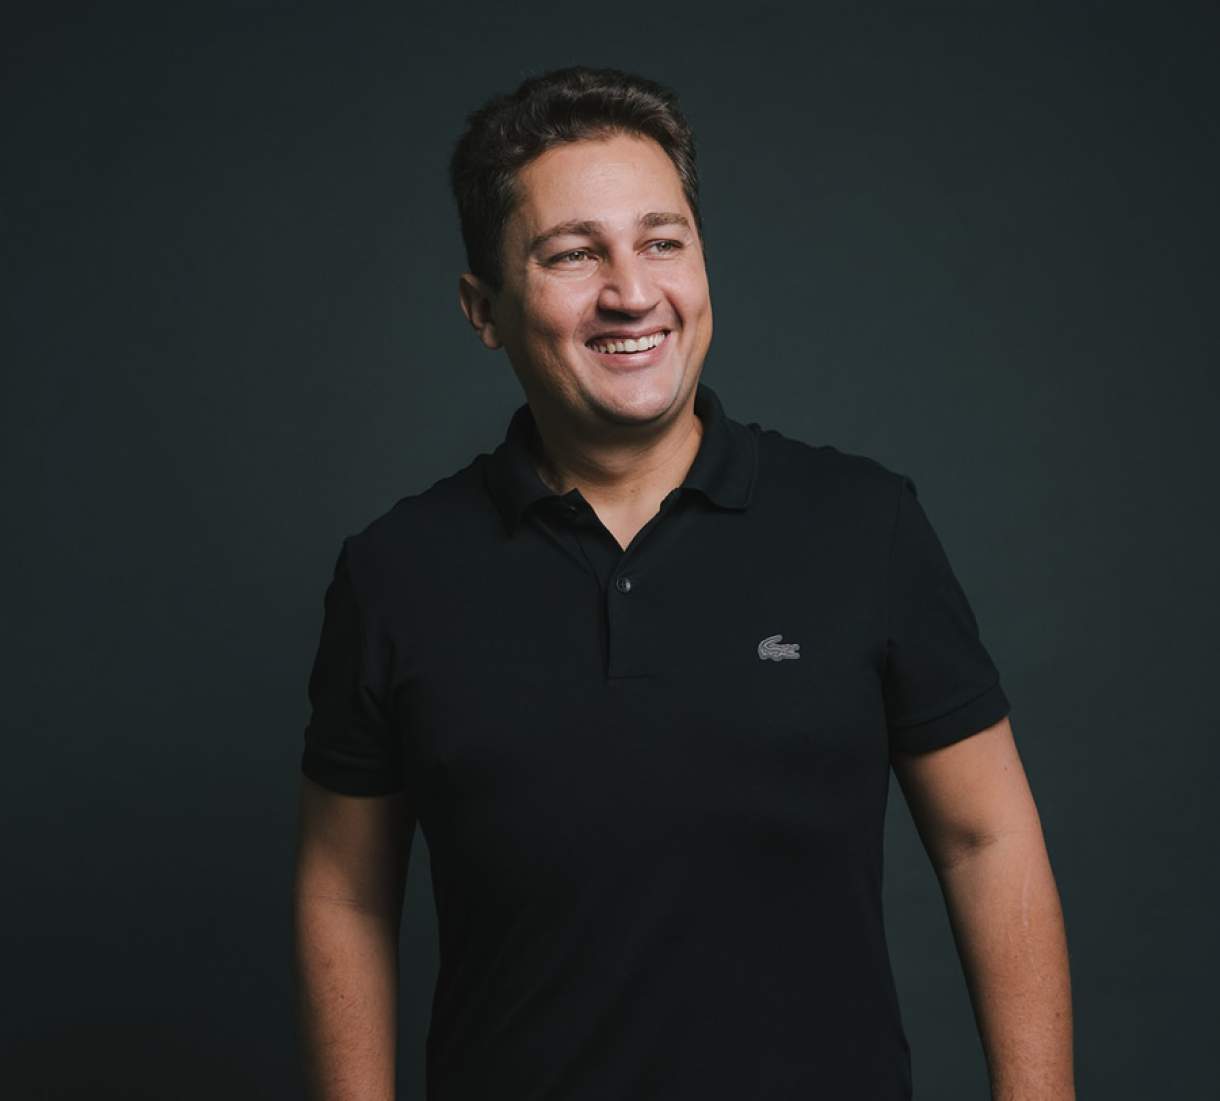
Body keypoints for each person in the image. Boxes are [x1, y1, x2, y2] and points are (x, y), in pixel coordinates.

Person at [292, 65, 1075, 1101]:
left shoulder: (862, 525)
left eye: (662, 241)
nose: (632, 292)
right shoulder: (396, 572)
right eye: (574, 254)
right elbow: (344, 893)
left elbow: (986, 840)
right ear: (484, 308)